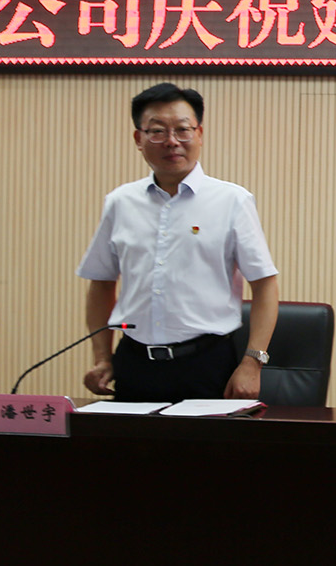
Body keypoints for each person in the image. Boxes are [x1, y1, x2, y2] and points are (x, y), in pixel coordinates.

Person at [76, 84, 278, 404]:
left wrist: (253, 362)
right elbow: (101, 282)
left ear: (199, 134)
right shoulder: (120, 202)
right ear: (138, 139)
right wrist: (102, 357)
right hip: (134, 362)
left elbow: (265, 284)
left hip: (207, 363)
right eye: (157, 131)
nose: (172, 141)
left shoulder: (232, 200)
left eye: (182, 129)